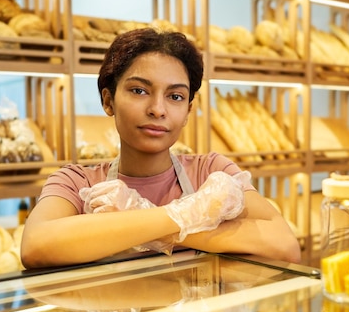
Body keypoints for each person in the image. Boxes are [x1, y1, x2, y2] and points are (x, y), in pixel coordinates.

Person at [20, 27, 301, 269]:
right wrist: (189, 216)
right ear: (108, 101)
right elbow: (36, 246)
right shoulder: (77, 182)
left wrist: (137, 216)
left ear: (188, 111)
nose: (157, 109)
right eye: (139, 91)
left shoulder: (211, 172)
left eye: (175, 96)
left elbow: (284, 245)